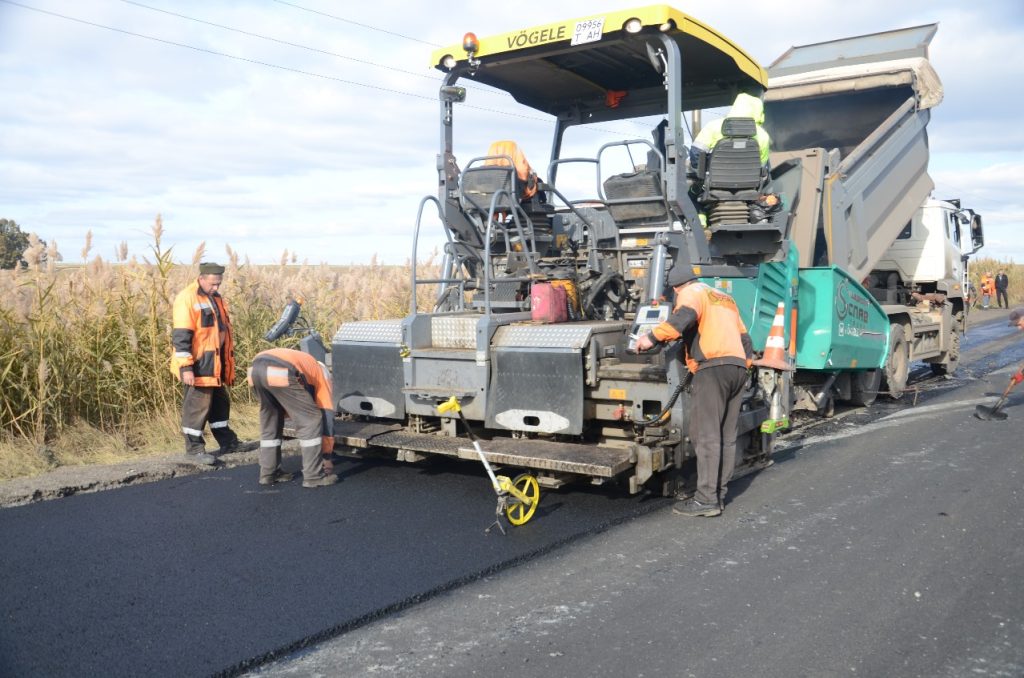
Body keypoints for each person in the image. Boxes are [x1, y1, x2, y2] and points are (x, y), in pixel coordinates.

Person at [635, 263, 753, 517]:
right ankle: (718, 493)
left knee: (705, 434)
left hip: (712, 370)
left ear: (676, 287)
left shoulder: (691, 293)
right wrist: (745, 366)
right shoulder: (723, 297)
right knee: (726, 435)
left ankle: (706, 500)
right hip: (738, 368)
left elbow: (681, 319)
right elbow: (745, 339)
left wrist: (650, 338)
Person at [170, 262, 240, 465]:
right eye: (213, 284)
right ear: (201, 279)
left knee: (220, 404)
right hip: (199, 363)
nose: (216, 288)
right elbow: (182, 336)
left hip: (215, 363)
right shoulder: (187, 298)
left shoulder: (215, 298)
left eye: (219, 284)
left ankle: (229, 442)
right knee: (197, 406)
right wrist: (186, 367)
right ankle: (194, 449)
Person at [248, 347, 338, 488]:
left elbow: (288, 405)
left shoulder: (307, 365)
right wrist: (326, 455)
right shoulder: (323, 375)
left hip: (255, 369)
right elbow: (326, 412)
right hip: (280, 369)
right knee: (311, 419)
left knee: (271, 420)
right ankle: (313, 477)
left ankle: (268, 474)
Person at [688, 92, 771, 176]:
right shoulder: (763, 136)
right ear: (759, 112)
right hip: (749, 185)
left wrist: (708, 174)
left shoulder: (713, 126)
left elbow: (695, 154)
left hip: (715, 183)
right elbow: (762, 167)